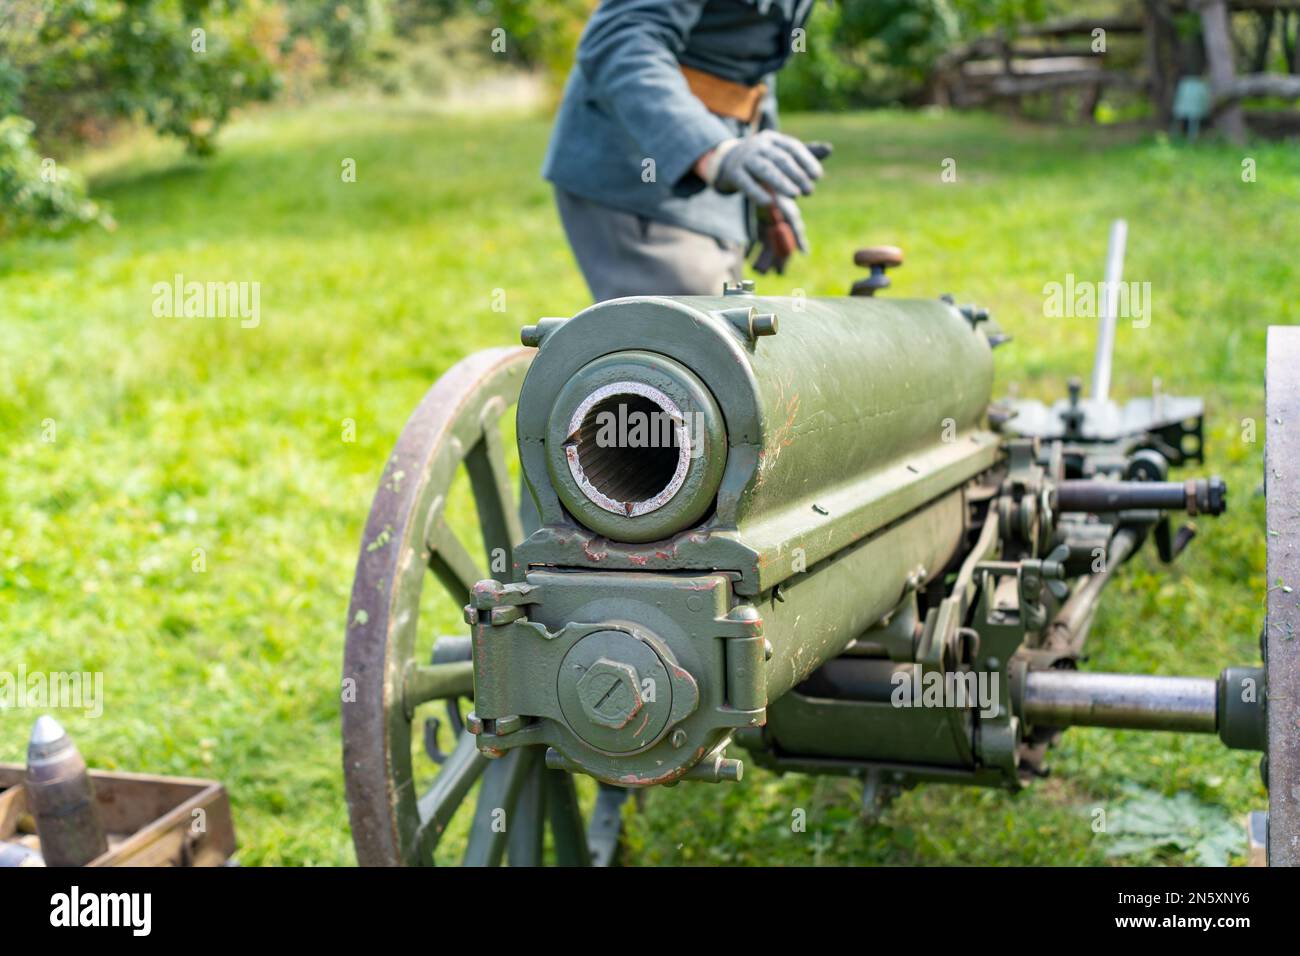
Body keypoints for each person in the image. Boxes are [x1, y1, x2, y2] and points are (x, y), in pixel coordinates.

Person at [542, 0, 829, 301]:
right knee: (685, 338)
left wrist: (764, 176)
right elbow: (620, 41)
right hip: (639, 166)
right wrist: (713, 152)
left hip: (717, 170)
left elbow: (746, 63)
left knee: (724, 330)